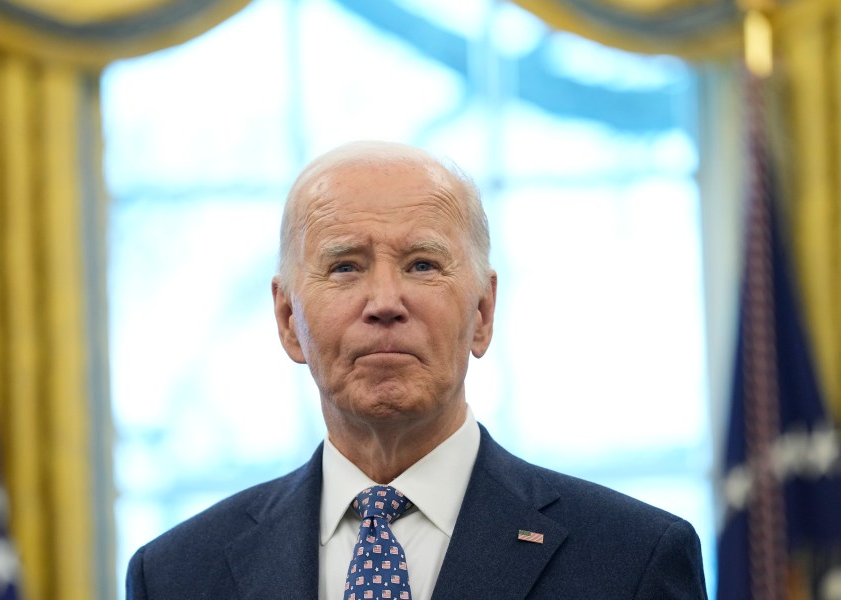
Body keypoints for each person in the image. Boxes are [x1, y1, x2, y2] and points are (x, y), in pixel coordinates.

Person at [126, 140, 708, 599]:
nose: (384, 301)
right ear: (287, 320)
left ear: (482, 313)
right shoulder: (176, 575)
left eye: (423, 264)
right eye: (346, 267)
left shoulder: (632, 560)